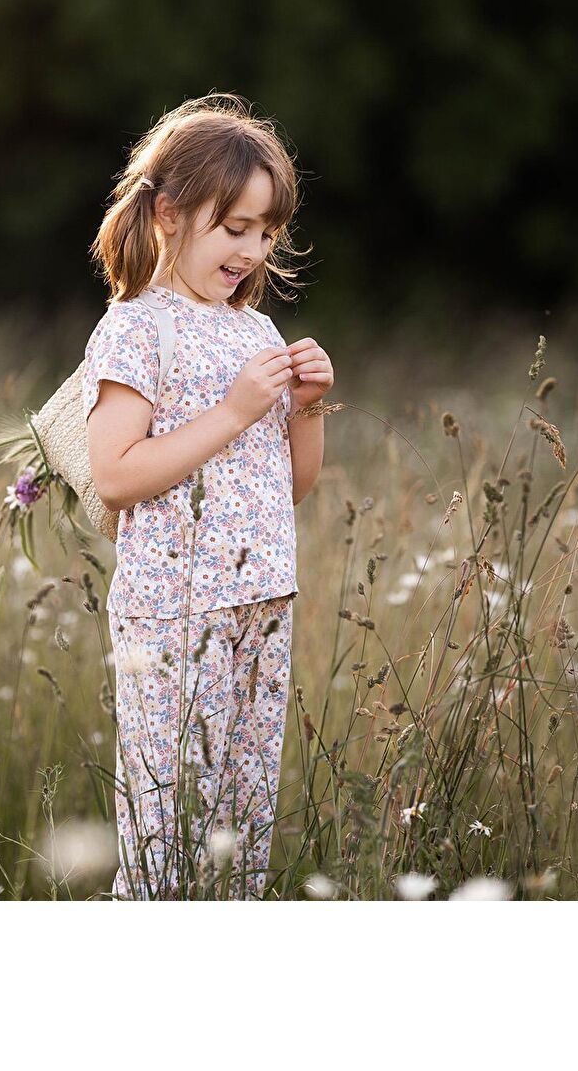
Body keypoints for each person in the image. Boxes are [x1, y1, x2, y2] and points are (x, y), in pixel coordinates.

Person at [82, 92, 334, 899]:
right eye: (235, 229)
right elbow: (117, 474)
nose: (253, 250)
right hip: (175, 610)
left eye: (267, 232)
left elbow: (286, 488)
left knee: (239, 832)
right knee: (169, 830)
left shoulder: (255, 332)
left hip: (263, 599)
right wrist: (233, 412)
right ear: (167, 214)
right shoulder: (137, 327)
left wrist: (306, 410)